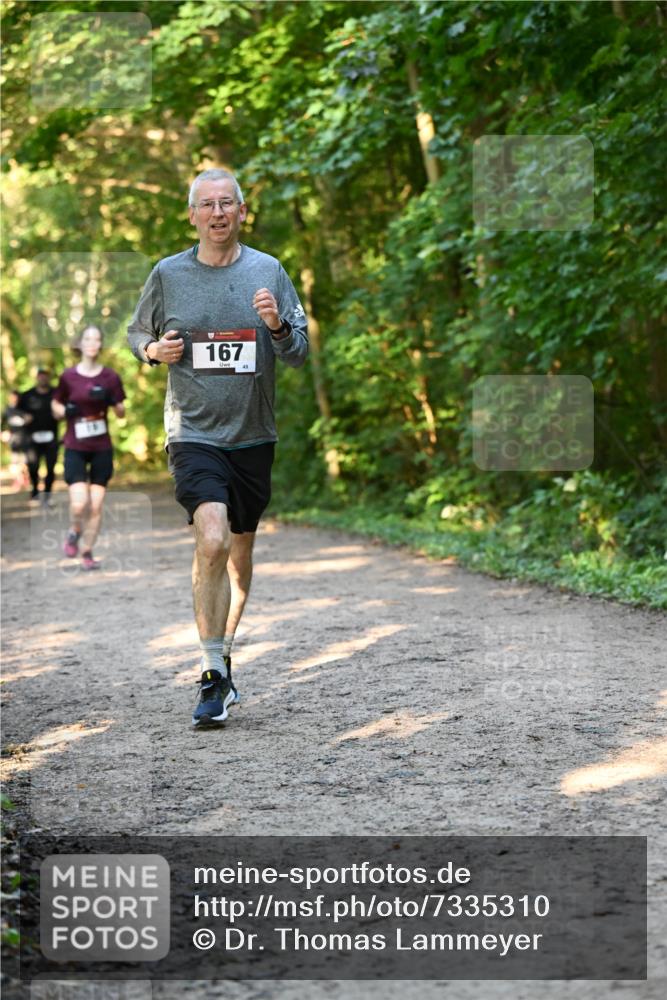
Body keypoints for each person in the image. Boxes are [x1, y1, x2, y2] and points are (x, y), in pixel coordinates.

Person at [127, 168, 308, 727]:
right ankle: (211, 674)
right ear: (192, 215)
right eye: (207, 205)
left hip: (253, 435)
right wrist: (154, 351)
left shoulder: (268, 270)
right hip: (192, 432)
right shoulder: (168, 274)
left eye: (227, 203)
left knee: (238, 553)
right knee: (211, 537)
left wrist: (277, 326)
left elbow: (298, 351)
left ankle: (222, 657)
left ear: (243, 212)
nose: (217, 213)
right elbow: (136, 334)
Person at [51, 325, 126, 571]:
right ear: (80, 344)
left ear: (100, 344)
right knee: (79, 502)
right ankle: (74, 530)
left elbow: (121, 412)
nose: (92, 343)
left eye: (97, 339)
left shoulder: (110, 378)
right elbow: (55, 405)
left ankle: (87, 551)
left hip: (101, 446)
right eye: (87, 339)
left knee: (96, 504)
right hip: (75, 445)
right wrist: (65, 412)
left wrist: (109, 399)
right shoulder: (68, 376)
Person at [17, 368, 60, 506]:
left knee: (50, 467)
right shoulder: (27, 395)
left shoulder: (56, 394)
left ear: (49, 378)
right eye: (40, 376)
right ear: (37, 378)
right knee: (33, 466)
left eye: (45, 376)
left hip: (51, 437)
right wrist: (24, 417)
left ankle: (47, 494)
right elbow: (15, 411)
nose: (43, 379)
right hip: (32, 439)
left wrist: (60, 414)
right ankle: (35, 491)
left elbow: (65, 409)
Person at [2, 390, 31, 492]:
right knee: (14, 462)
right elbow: (2, 424)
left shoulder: (24, 409)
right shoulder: (7, 410)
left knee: (24, 462)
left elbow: (30, 419)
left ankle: (23, 479)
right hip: (14, 440)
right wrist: (3, 433)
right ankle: (19, 480)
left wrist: (28, 419)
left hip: (25, 439)